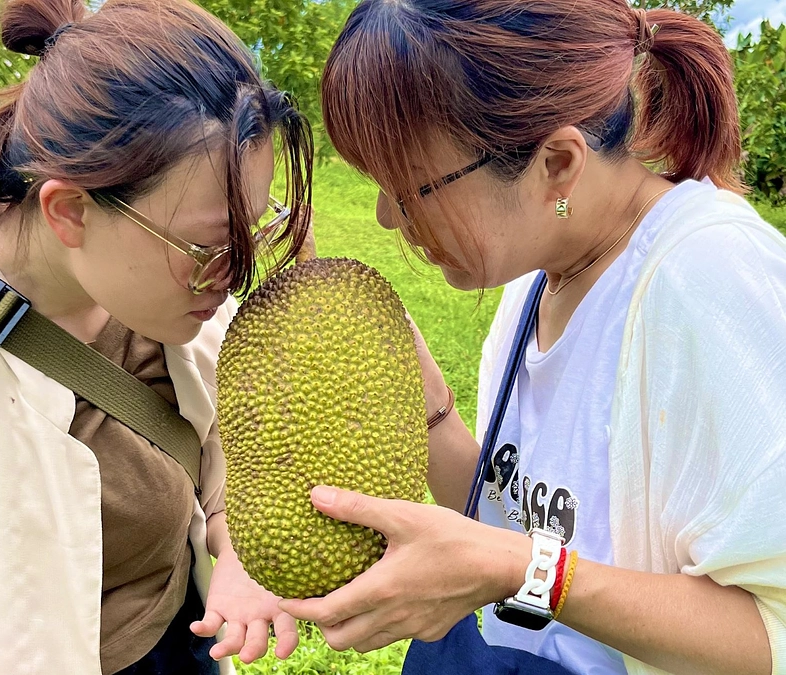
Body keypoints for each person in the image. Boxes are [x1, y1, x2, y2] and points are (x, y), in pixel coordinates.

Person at [279, 1, 786, 674]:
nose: (386, 218)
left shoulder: (713, 278)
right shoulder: (540, 277)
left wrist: (525, 571)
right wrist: (426, 407)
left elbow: (771, 632)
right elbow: (517, 523)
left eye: (411, 189)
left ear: (558, 164)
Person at [0, 0, 312, 673]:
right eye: (207, 247)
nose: (232, 279)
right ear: (70, 212)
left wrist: (238, 551)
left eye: (250, 230)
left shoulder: (185, 317)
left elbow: (228, 461)